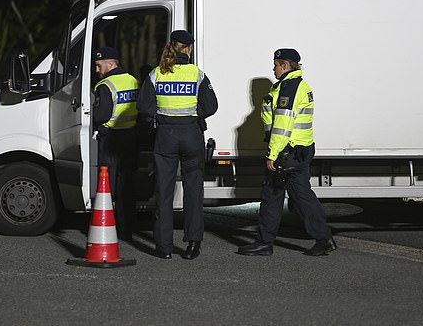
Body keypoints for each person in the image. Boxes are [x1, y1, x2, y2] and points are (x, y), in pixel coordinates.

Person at [237, 48, 336, 257]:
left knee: (272, 196)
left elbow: (282, 125)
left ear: (284, 65)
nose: (273, 68)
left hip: (287, 152)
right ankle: (324, 238)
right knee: (302, 197)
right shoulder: (295, 85)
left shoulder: (289, 89)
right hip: (299, 150)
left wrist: (272, 154)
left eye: (275, 64)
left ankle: (265, 242)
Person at [137, 30, 218, 260]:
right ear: (188, 49)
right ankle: (193, 244)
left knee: (163, 191)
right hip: (191, 134)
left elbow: (144, 106)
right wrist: (194, 114)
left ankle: (164, 248)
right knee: (193, 190)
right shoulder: (197, 74)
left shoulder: (157, 73)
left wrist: (160, 115)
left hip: (165, 135)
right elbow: (211, 106)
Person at [93, 47, 139, 240]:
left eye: (98, 65)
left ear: (111, 64)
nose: (96, 70)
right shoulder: (133, 80)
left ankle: (108, 227)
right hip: (131, 137)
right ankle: (127, 228)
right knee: (126, 186)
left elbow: (102, 115)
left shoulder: (105, 85)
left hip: (111, 140)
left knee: (107, 187)